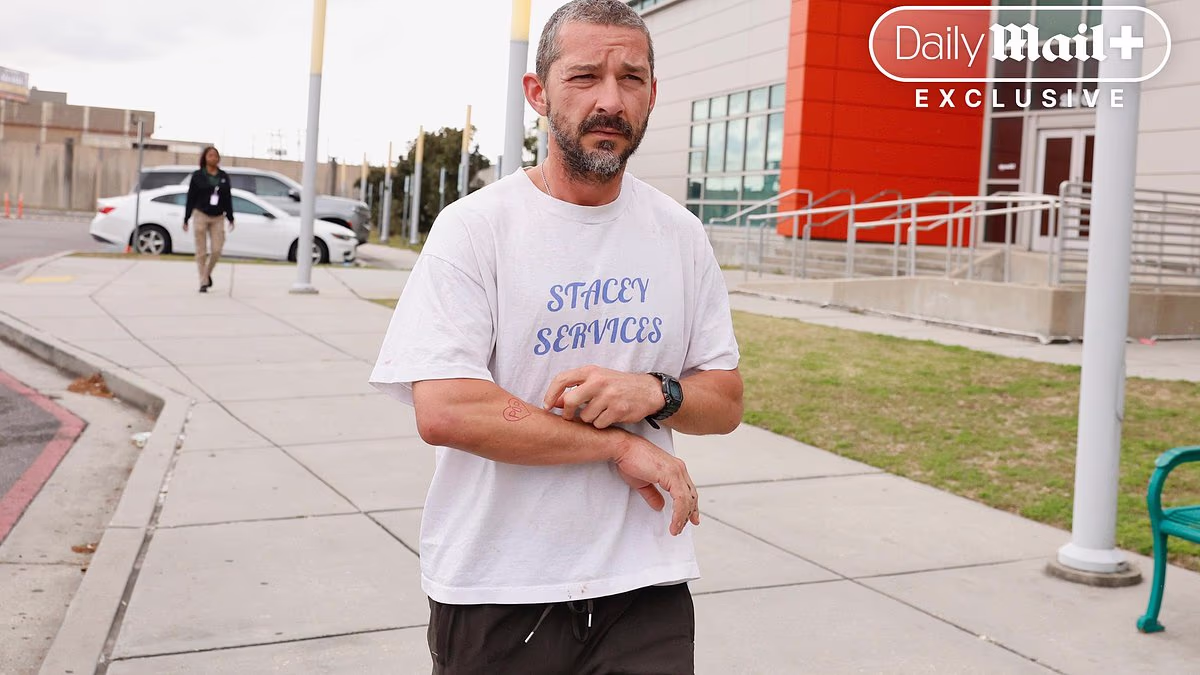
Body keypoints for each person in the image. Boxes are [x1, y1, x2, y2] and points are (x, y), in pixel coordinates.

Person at [370, 1, 743, 672]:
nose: (611, 100)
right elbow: (446, 409)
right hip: (499, 587)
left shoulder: (680, 235)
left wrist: (655, 391)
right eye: (585, 76)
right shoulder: (476, 228)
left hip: (645, 583)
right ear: (538, 93)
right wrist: (620, 447)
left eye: (631, 78)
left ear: (653, 93)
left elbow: (726, 399)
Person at [183, 146, 234, 293]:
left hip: (218, 216)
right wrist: (186, 218)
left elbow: (228, 198)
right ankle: (203, 281)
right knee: (201, 250)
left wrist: (230, 217)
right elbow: (191, 197)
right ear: (205, 158)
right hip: (200, 214)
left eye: (215, 155)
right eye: (210, 155)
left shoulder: (223, 176)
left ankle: (207, 273)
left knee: (217, 249)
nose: (213, 158)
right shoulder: (198, 175)